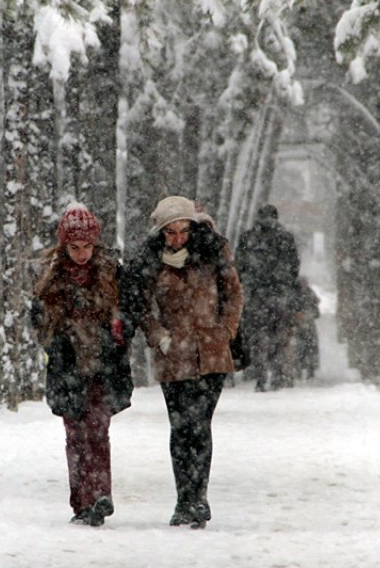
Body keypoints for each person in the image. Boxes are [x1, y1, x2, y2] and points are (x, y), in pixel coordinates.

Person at [123, 195, 243, 529]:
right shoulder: (150, 261)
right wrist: (158, 335)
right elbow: (139, 304)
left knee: (200, 424)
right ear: (160, 232)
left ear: (193, 227)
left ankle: (198, 497)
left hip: (211, 352)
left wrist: (226, 330)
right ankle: (183, 500)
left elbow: (233, 293)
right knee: (180, 428)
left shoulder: (213, 252)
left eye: (183, 231)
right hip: (173, 354)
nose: (177, 239)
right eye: (170, 232)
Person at [31, 203, 133, 527]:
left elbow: (129, 311)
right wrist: (56, 341)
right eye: (74, 247)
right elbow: (39, 319)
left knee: (98, 430)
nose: (81, 253)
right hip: (68, 366)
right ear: (64, 246)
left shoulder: (111, 272)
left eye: (87, 246)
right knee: (75, 434)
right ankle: (81, 500)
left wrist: (119, 330)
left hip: (103, 364)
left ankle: (100, 494)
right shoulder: (51, 277)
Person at [236, 204, 301, 391]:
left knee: (258, 336)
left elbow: (239, 266)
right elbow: (294, 267)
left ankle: (261, 375)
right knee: (280, 335)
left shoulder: (248, 238)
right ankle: (277, 374)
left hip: (256, 294)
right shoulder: (285, 238)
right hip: (278, 293)